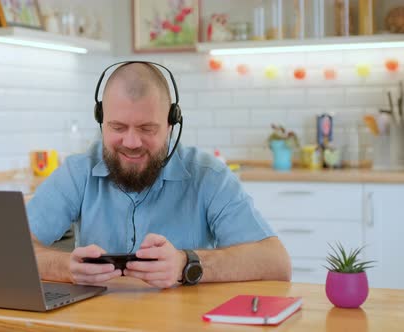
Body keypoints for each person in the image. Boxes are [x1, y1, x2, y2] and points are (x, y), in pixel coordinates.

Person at [27, 61, 291, 289]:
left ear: (170, 125)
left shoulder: (209, 176)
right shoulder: (78, 171)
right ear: (101, 120)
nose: (131, 142)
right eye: (118, 127)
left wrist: (187, 264)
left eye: (147, 128)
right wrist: (66, 267)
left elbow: (276, 263)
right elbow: (9, 251)